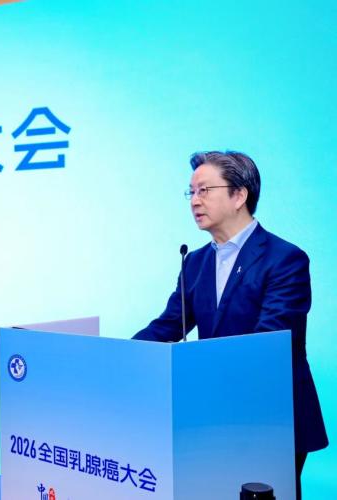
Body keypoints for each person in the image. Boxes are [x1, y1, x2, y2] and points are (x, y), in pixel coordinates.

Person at [133, 151, 328, 499]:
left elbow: (270, 341)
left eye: (204, 190)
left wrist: (196, 369)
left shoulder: (285, 259)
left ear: (239, 195)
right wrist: (122, 353)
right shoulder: (195, 261)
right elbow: (169, 324)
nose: (194, 201)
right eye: (191, 192)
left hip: (272, 415)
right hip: (215, 416)